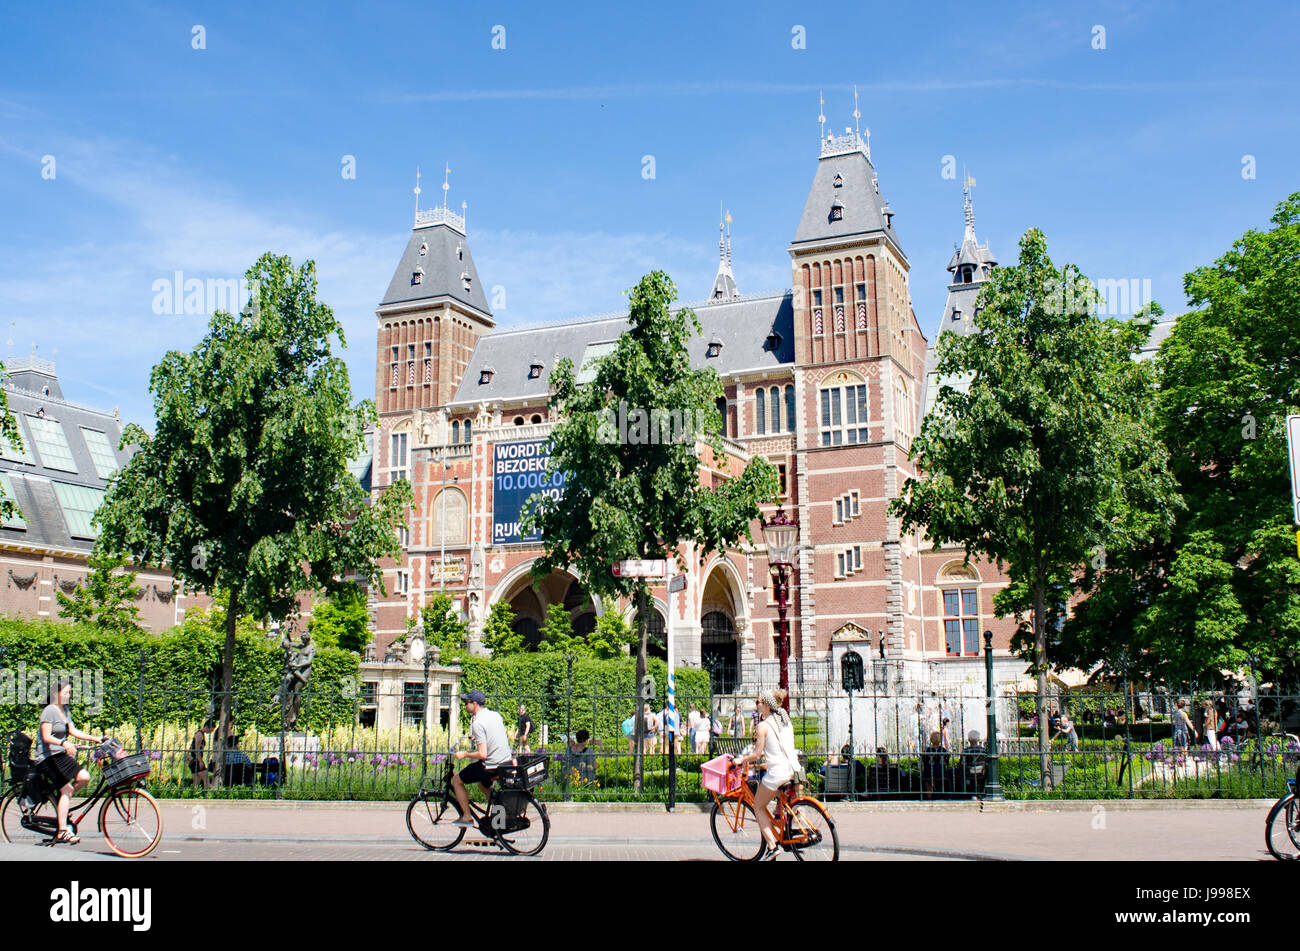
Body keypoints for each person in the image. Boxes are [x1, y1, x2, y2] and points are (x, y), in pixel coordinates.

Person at [32, 678, 103, 845]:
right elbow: (46, 736)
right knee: (67, 788)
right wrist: (64, 743)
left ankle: (63, 803)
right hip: (47, 758)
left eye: (69, 693)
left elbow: (72, 730)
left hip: (60, 756)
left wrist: (95, 738)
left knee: (84, 777)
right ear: (56, 694)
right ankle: (62, 830)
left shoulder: (65, 709)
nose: (68, 695)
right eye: (66, 692)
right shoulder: (49, 710)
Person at [731, 689, 797, 860]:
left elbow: (756, 755)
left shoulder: (763, 726)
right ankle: (785, 830)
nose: (756, 704)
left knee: (758, 806)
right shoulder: (785, 720)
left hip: (777, 773)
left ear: (766, 705)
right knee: (778, 800)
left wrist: (741, 760)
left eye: (758, 702)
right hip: (793, 768)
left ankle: (772, 846)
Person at [451, 690, 512, 827]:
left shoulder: (477, 723)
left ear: (474, 704)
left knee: (456, 780)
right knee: (482, 784)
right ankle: (499, 813)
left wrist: (465, 754)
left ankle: (467, 817)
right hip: (505, 762)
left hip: (491, 766)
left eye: (466, 702)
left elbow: (483, 754)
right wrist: (477, 737)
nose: (465, 705)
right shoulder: (495, 715)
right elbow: (492, 734)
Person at [188, 719, 215, 789]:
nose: (211, 732)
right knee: (207, 782)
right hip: (196, 760)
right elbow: (197, 749)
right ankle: (209, 795)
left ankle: (193, 796)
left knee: (196, 783)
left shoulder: (200, 734)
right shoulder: (200, 734)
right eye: (211, 730)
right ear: (207, 727)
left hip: (194, 760)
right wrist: (200, 761)